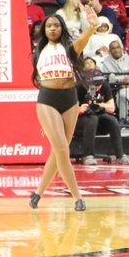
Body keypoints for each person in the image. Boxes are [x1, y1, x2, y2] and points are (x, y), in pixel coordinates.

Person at [30, 12, 98, 211]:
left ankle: (37, 193)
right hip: (47, 100)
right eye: (49, 25)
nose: (53, 28)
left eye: (56, 25)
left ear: (62, 28)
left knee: (59, 150)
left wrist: (92, 27)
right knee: (61, 150)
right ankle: (77, 197)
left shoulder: (69, 48)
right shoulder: (39, 50)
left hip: (70, 99)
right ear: (44, 29)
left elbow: (83, 40)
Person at [76, 57, 129, 165]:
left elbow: (112, 108)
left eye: (99, 85)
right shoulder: (79, 87)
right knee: (92, 119)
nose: (97, 88)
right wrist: (79, 109)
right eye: (95, 85)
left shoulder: (104, 85)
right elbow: (68, 110)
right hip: (80, 120)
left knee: (113, 120)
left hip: (99, 116)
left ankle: (120, 155)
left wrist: (98, 105)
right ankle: (88, 155)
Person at [100, 40, 129, 120]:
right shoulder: (106, 62)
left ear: (122, 49)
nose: (116, 50)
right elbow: (108, 78)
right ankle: (123, 119)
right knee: (122, 95)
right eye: (113, 48)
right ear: (110, 51)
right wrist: (121, 81)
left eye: (118, 47)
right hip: (121, 87)